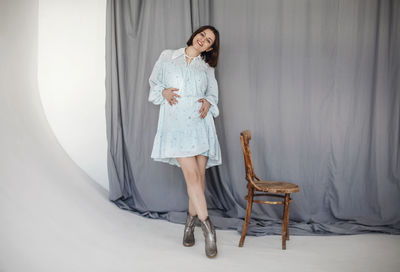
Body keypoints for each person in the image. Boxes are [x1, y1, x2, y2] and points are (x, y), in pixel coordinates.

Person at [148, 25, 221, 258]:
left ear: (210, 48)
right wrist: (163, 92)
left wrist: (209, 102)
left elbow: (213, 95)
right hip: (176, 126)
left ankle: (189, 226)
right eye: (202, 35)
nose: (203, 40)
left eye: (209, 40)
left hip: (201, 125)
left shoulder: (207, 68)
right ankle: (209, 229)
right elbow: (154, 84)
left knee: (199, 179)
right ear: (194, 35)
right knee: (191, 177)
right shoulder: (168, 56)